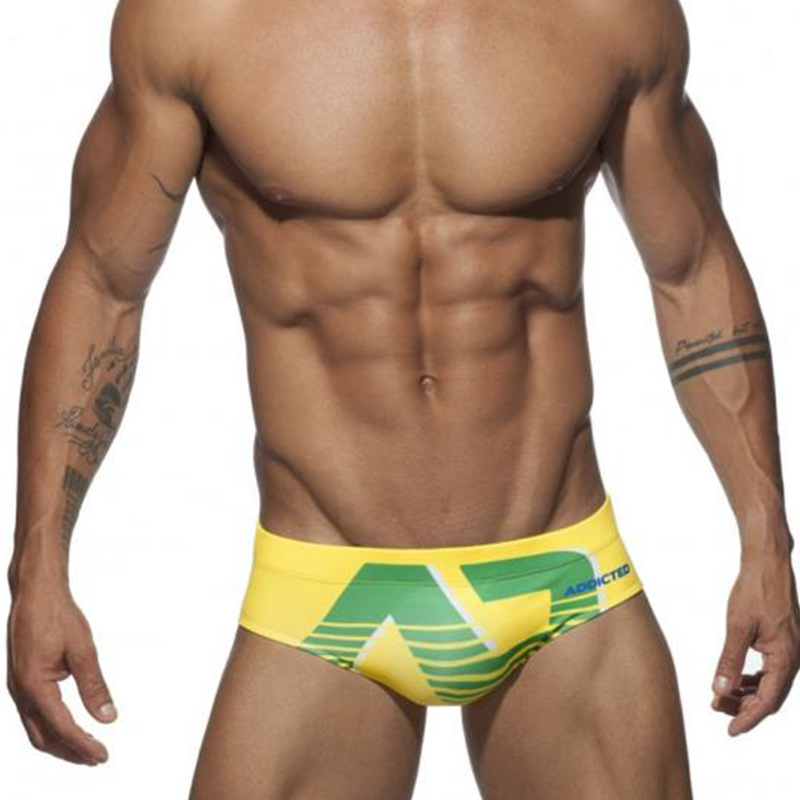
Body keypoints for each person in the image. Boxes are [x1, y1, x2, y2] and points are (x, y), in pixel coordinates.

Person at [6, 0, 799, 797]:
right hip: (322, 587)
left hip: (563, 576)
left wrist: (768, 541)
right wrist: (38, 567)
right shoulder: (200, 19)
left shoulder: (604, 14)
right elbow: (103, 287)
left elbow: (691, 269)